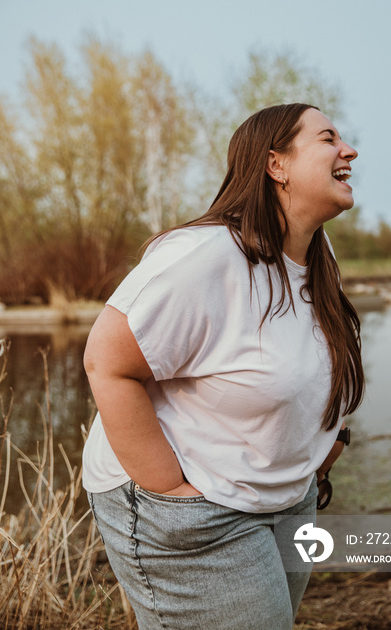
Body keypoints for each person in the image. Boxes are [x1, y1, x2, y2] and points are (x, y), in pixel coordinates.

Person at [83, 102, 365, 630]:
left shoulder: (316, 253)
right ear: (276, 165)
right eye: (329, 138)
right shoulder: (206, 257)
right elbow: (106, 361)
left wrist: (328, 447)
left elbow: (311, 365)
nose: (349, 150)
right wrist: (170, 492)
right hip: (199, 503)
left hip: (284, 493)